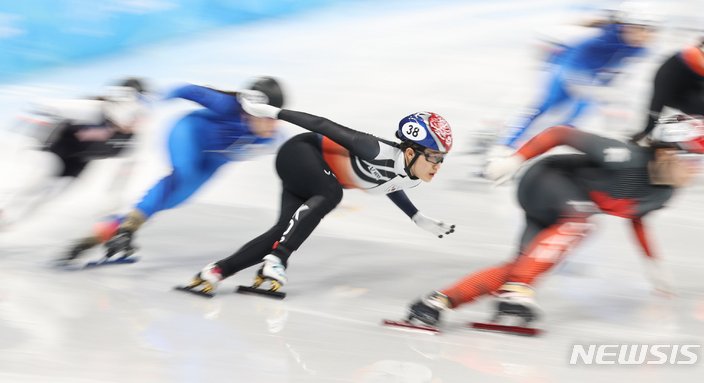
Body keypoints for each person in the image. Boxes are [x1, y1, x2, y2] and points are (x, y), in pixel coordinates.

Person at [406, 115, 704, 326]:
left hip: (560, 209)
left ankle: (437, 302)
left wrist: (652, 263)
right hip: (544, 180)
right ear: (664, 154)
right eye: (692, 159)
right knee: (581, 223)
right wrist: (515, 159)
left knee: (521, 267)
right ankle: (518, 293)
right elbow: (560, 133)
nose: (697, 170)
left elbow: (636, 215)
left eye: (703, 161)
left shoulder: (663, 195)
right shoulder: (626, 157)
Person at [184, 100, 456, 295]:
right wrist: (273, 112)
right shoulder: (373, 149)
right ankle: (278, 260)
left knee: (283, 231)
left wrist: (416, 216)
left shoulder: (411, 176)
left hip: (311, 176)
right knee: (331, 193)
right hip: (300, 152)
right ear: (411, 153)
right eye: (434, 158)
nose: (437, 165)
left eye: (441, 159)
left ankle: (216, 272)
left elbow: (391, 186)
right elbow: (322, 124)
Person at [60, 77, 285, 262]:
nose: (270, 124)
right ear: (249, 109)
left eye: (274, 116)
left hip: (213, 160)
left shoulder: (274, 138)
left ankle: (103, 234)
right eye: (264, 116)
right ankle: (127, 229)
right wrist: (149, 103)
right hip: (188, 134)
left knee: (174, 200)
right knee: (182, 175)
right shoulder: (227, 105)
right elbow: (186, 89)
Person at [493, 2, 658, 153]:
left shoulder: (642, 49)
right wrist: (596, 88)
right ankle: (505, 144)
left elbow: (616, 71)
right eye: (640, 28)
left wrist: (606, 88)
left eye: (650, 30)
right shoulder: (597, 39)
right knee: (543, 107)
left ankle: (543, 147)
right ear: (624, 27)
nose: (645, 35)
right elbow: (569, 71)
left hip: (587, 77)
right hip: (560, 66)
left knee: (576, 116)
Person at [0, 78, 148, 228]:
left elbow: (123, 173)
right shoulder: (92, 109)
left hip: (77, 163)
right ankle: (4, 210)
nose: (135, 120)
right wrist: (17, 143)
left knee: (49, 195)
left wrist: (112, 204)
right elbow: (40, 107)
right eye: (133, 113)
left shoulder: (130, 139)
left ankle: (7, 223)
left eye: (141, 114)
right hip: (54, 149)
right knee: (35, 182)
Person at [632, 32, 704, 146]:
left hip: (688, 83)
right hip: (677, 88)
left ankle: (665, 138)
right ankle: (666, 140)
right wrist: (647, 130)